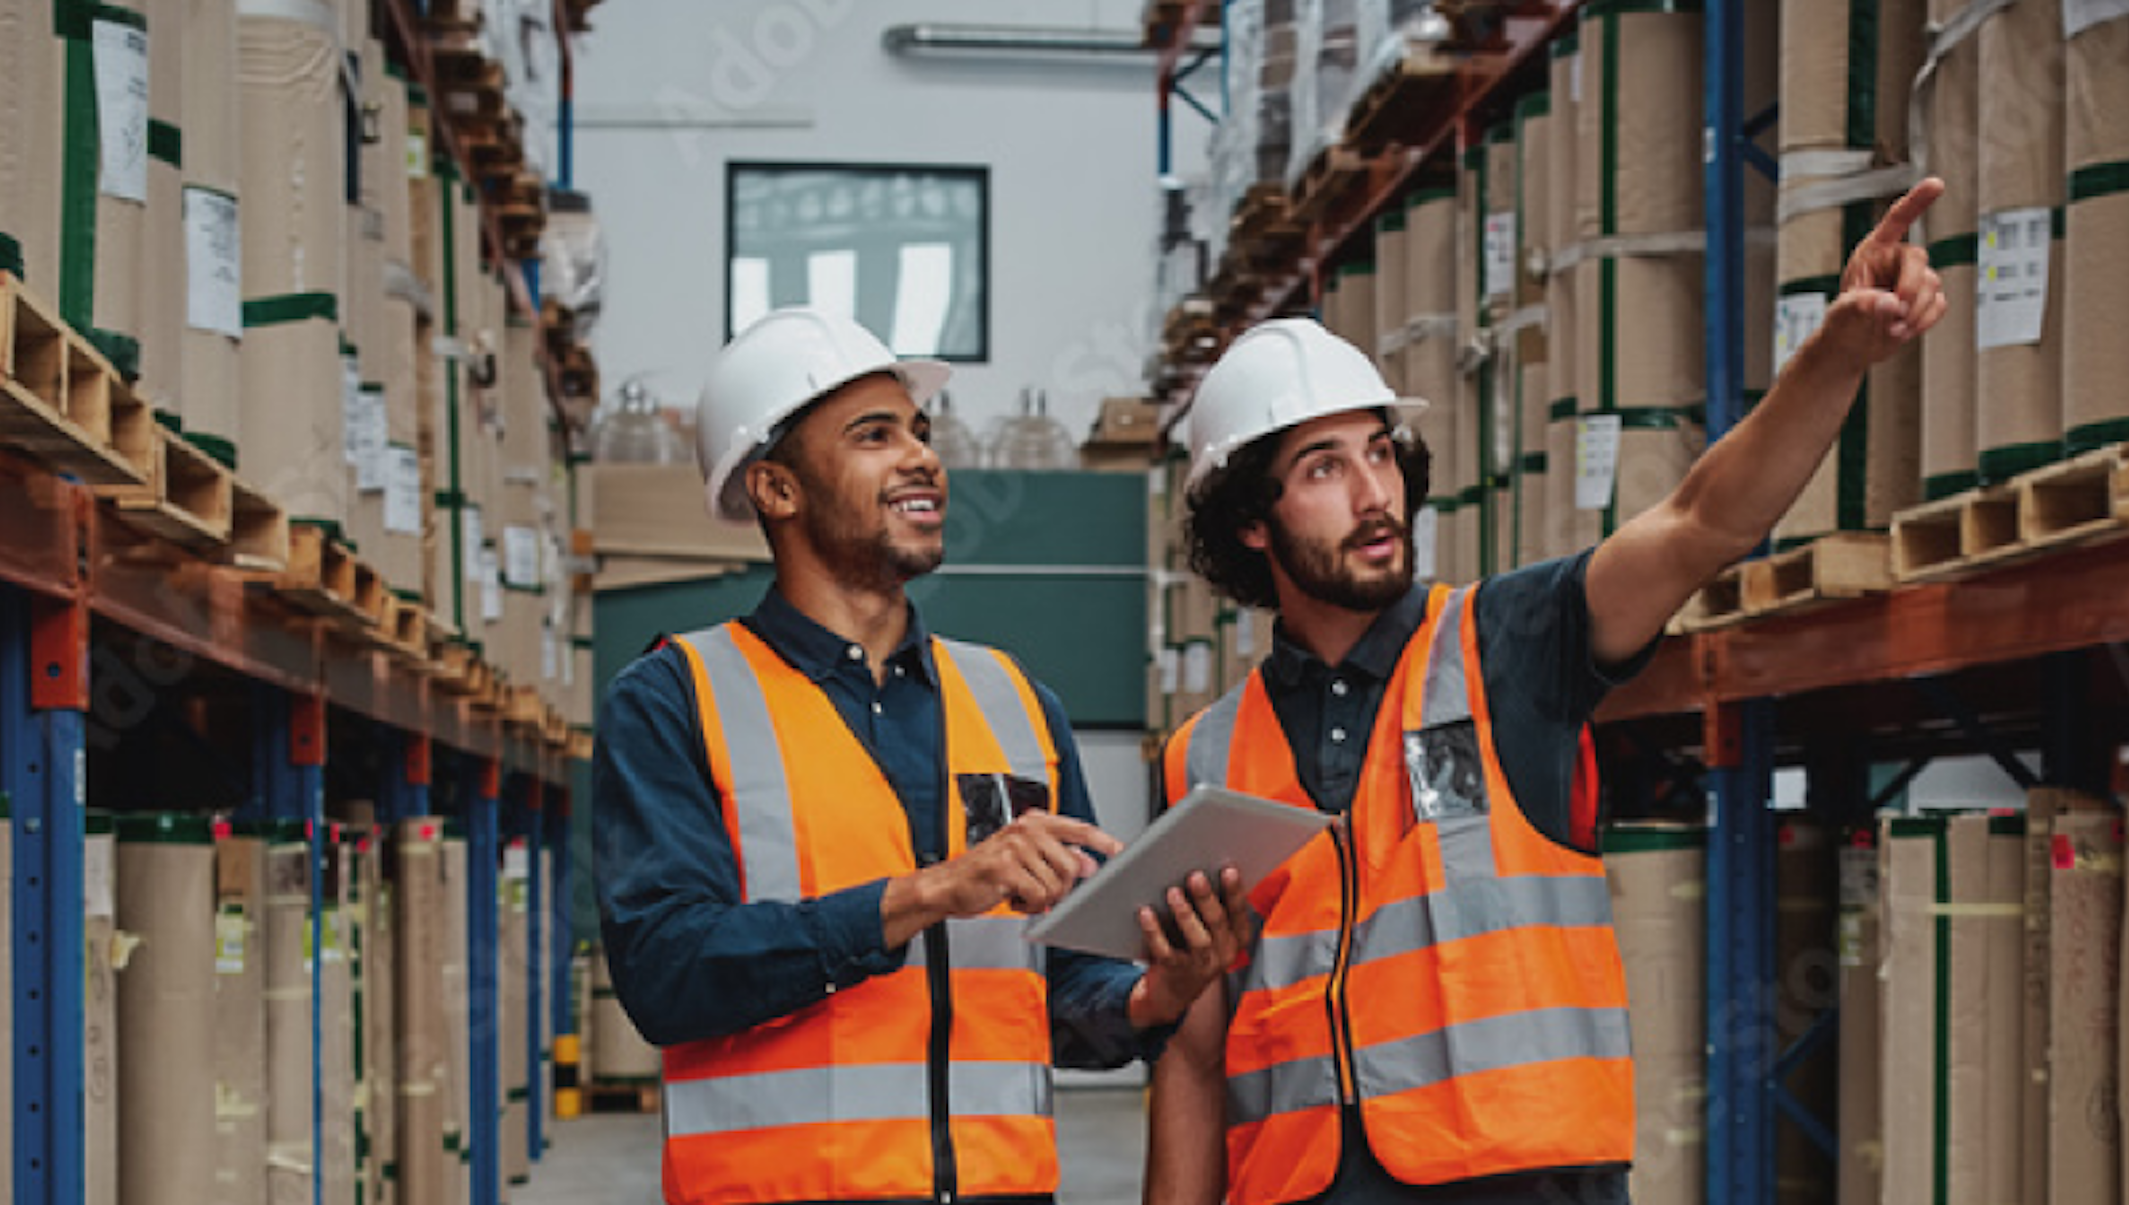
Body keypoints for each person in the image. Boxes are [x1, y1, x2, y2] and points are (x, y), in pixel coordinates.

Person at [1142, 180, 1950, 1205]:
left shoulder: (1510, 647)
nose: (1374, 491)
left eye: (1382, 453)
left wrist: (1836, 355)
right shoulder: (1202, 757)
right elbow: (1194, 1052)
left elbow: (1703, 521)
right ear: (1251, 521)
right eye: (1323, 467)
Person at [595, 307, 1254, 1205]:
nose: (922, 458)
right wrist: (929, 892)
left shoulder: (1016, 702)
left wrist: (1153, 993)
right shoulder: (678, 697)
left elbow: (1060, 985)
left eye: (922, 432)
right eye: (875, 436)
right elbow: (667, 973)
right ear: (775, 490)